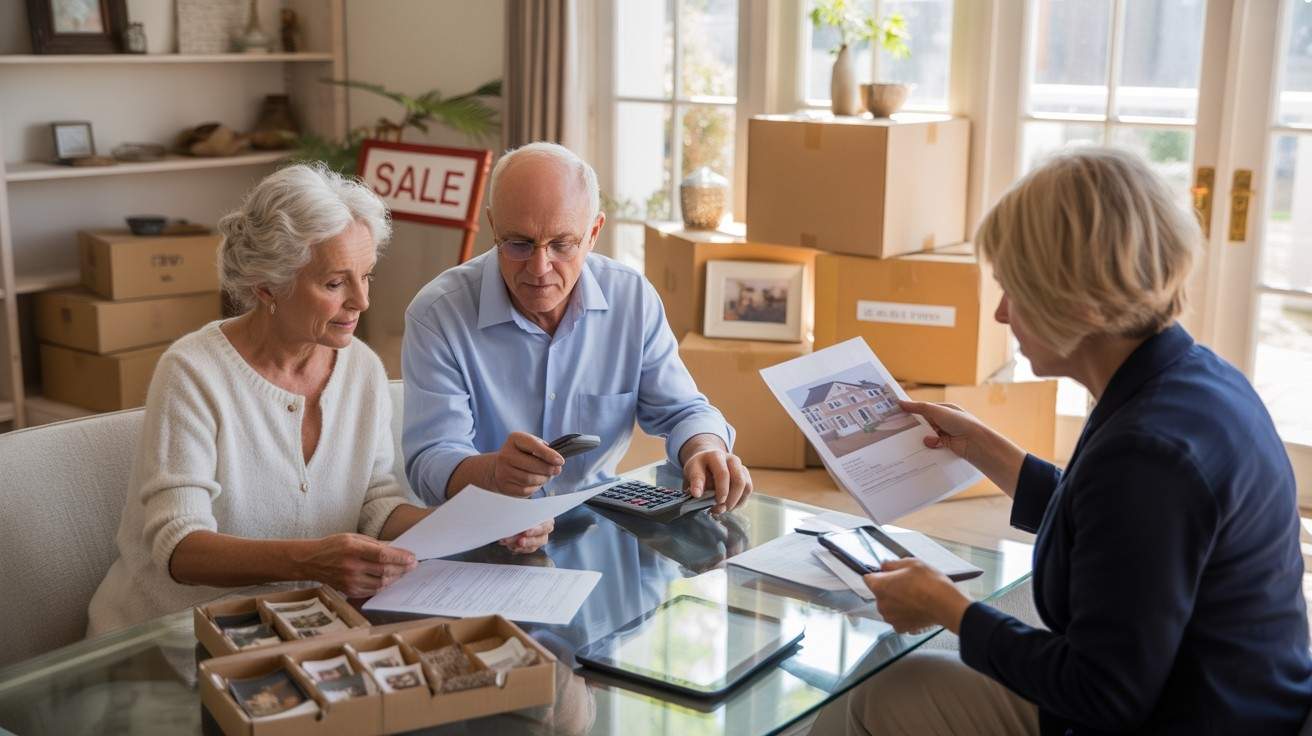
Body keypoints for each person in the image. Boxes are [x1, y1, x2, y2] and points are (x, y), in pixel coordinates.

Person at [848, 148, 1312, 735]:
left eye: (1013, 291)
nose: (1000, 314)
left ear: (1073, 301)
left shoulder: (1146, 456)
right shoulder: (1190, 378)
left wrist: (949, 609)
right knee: (893, 691)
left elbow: (1103, 695)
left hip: (1184, 719)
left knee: (885, 695)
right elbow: (1114, 527)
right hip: (1229, 697)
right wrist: (985, 448)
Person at [87, 164, 550, 636]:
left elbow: (375, 506)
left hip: (298, 633)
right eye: (334, 283)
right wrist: (310, 560)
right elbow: (179, 547)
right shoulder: (193, 372)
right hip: (166, 639)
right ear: (267, 285)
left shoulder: (361, 368)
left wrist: (480, 525)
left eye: (366, 276)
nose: (361, 301)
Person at [402, 142, 751, 512]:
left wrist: (705, 448)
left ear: (593, 232)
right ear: (493, 226)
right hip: (488, 522)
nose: (540, 268)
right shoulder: (438, 314)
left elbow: (684, 411)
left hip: (599, 517)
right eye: (519, 244)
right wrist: (493, 474)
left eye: (561, 244)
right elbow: (430, 461)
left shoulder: (631, 299)